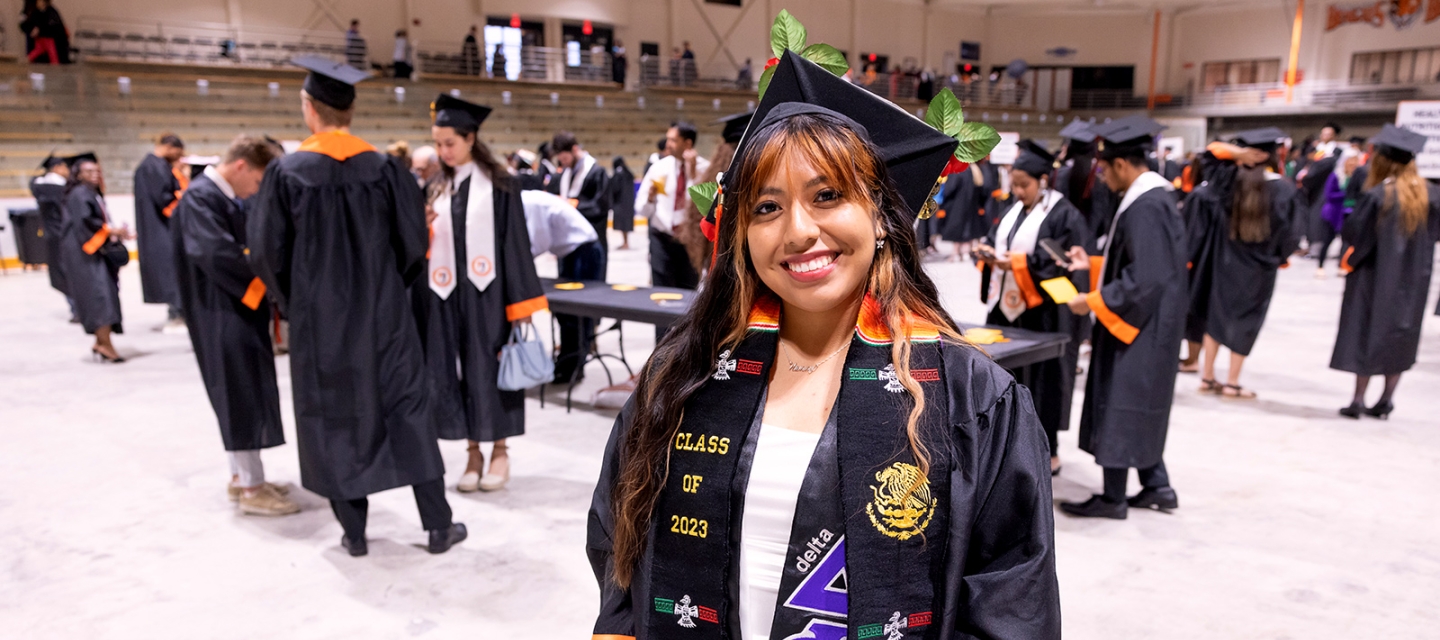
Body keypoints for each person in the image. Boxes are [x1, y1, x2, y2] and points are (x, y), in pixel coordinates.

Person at [586, 49, 1058, 638]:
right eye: (767, 207)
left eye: (828, 195)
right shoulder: (687, 371)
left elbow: (1012, 595)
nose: (799, 231)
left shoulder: (971, 398)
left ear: (883, 216)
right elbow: (619, 542)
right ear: (742, 232)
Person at [247, 57, 465, 556]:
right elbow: (413, 245)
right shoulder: (385, 168)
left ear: (309, 109)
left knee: (332, 414)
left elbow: (265, 253)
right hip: (387, 315)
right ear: (349, 110)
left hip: (320, 323)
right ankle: (438, 525)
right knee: (406, 409)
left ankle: (355, 534)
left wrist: (299, 301)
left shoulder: (286, 172)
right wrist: (389, 289)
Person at [413, 94, 548, 493]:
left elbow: (515, 248)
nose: (442, 152)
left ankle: (500, 450)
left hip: (490, 298)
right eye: (437, 144)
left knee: (491, 370)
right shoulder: (436, 186)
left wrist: (520, 307)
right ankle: (472, 451)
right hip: (446, 297)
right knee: (456, 370)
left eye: (449, 143)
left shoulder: (503, 185)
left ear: (470, 138)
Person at [1060, 115, 1186, 519]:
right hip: (1155, 323)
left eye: (1104, 169)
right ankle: (1157, 486)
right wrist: (1094, 263)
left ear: (1121, 165)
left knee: (1121, 402)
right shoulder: (1153, 199)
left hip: (1138, 325)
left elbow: (1144, 277)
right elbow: (1138, 263)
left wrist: (1093, 301)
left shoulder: (1145, 206)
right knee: (1140, 404)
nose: (1102, 178)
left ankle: (1113, 498)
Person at [173, 136, 298, 516]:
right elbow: (217, 254)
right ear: (242, 165)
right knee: (239, 394)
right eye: (259, 182)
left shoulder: (218, 197)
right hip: (221, 312)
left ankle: (242, 476)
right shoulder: (201, 198)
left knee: (240, 393)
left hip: (232, 310)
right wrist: (266, 283)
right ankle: (251, 487)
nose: (256, 192)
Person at [972, 140, 1089, 475]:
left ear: (1043, 180)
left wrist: (1018, 264)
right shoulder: (1012, 211)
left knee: (1042, 380)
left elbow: (1064, 264)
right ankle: (1005, 445)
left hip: (1044, 310)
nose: (1018, 191)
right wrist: (987, 251)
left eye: (1024, 185)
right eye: (1015, 185)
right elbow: (998, 238)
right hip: (1007, 304)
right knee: (1005, 375)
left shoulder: (1065, 214)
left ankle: (1048, 450)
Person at [1331, 124, 1438, 420]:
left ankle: (1358, 399)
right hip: (1413, 281)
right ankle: (1387, 400)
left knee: (1365, 330)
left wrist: (1352, 260)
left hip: (1373, 277)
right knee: (1400, 334)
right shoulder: (1431, 194)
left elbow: (1357, 236)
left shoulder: (1379, 195)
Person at [1184, 129, 1300, 400]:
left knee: (1217, 315)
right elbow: (1291, 234)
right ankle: (1232, 382)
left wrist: (1238, 154)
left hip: (1226, 259)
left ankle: (1208, 376)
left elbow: (1210, 155)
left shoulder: (1229, 182)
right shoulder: (1283, 189)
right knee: (1246, 321)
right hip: (1260, 267)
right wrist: (1277, 257)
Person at [58, 153, 130, 362]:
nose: (94, 175)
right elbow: (87, 225)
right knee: (100, 298)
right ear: (78, 175)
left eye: (97, 171)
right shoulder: (80, 194)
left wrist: (113, 232)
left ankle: (101, 342)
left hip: (90, 253)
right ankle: (106, 345)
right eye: (89, 171)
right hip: (86, 254)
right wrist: (112, 232)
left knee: (103, 296)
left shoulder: (89, 192)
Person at [638, 121, 708, 299]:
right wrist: (650, 198)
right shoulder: (658, 168)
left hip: (690, 242)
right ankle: (662, 329)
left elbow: (704, 209)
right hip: (662, 239)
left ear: (688, 143)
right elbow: (641, 210)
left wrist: (692, 177)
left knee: (688, 296)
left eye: (673, 140)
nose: (667, 144)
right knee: (661, 295)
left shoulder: (705, 170)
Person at [134, 133, 187, 332]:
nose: (179, 157)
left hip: (157, 229)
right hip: (162, 230)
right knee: (172, 272)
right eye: (177, 152)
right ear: (167, 146)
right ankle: (177, 316)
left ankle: (177, 313)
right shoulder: (154, 167)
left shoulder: (151, 166)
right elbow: (165, 200)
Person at [549, 131, 610, 265]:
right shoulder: (564, 173)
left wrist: (575, 205)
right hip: (567, 240)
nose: (563, 163)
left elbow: (600, 207)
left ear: (575, 149)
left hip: (590, 241)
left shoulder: (596, 173)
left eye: (565, 159)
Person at [30, 153, 73, 316]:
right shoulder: (59, 188)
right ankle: (77, 308)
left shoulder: (38, 185)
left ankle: (74, 307)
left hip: (50, 235)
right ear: (57, 168)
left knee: (61, 270)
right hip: (65, 233)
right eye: (65, 167)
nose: (68, 170)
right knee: (71, 270)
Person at [1316, 147, 1361, 278]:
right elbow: (1329, 195)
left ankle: (1342, 265)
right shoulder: (1336, 175)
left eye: (1355, 160)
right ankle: (1320, 266)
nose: (1352, 163)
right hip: (1333, 213)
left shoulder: (1358, 176)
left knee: (1346, 242)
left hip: (1349, 213)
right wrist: (1346, 194)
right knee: (1327, 240)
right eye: (1350, 160)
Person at [608, 156, 636, 250]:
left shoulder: (618, 173)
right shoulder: (628, 173)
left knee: (623, 223)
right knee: (626, 223)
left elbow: (615, 188)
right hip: (629, 203)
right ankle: (625, 242)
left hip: (620, 203)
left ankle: (625, 243)